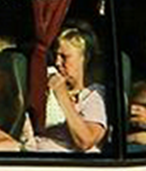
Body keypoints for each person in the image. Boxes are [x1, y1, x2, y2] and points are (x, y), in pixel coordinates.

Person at [23, 22, 108, 153]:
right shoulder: (44, 88)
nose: (57, 63)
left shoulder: (94, 95)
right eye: (56, 56)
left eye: (64, 57)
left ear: (85, 59)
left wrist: (62, 95)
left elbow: (86, 141)